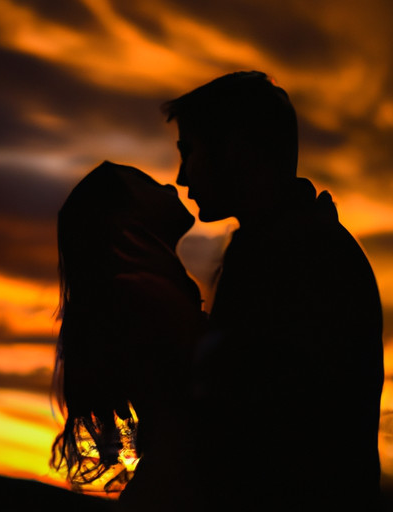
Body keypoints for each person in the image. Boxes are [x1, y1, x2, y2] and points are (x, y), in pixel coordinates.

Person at [161, 71, 384, 511]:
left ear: (236, 150)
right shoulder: (291, 244)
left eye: (190, 153)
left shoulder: (296, 256)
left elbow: (259, 433)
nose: (183, 178)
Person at [50, 161, 207, 511]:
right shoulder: (142, 298)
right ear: (123, 215)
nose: (169, 187)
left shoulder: (143, 291)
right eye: (149, 184)